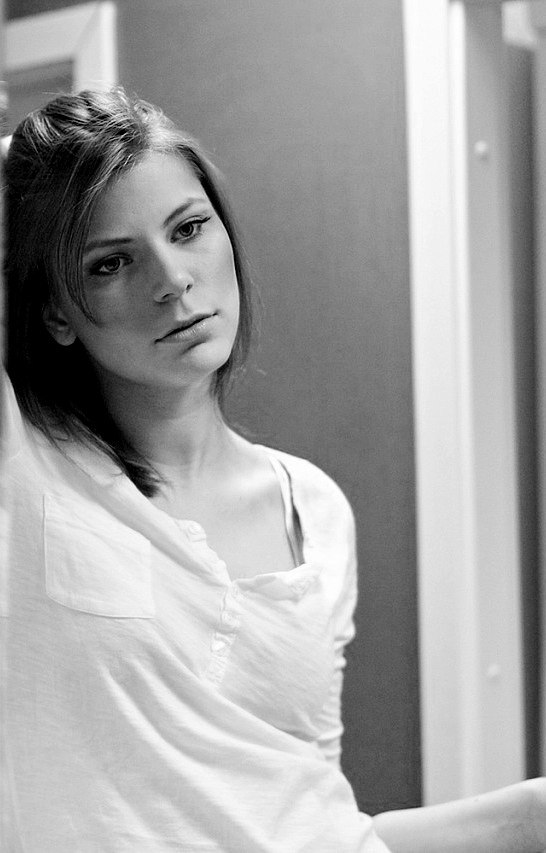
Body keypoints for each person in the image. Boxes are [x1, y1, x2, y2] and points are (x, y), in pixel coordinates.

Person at [1, 87, 545, 853]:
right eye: (111, 262)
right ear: (56, 311)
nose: (172, 279)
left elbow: (310, 823)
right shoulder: (25, 467)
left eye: (188, 228)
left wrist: (527, 818)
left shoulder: (312, 510)